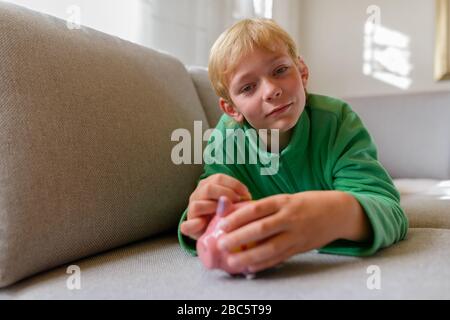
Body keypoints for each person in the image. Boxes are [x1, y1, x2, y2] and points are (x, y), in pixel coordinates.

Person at [178, 18, 408, 274]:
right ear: (232, 109)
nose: (271, 90)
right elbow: (208, 205)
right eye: (248, 87)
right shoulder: (227, 137)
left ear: (302, 72)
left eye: (279, 70)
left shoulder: (337, 120)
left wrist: (332, 216)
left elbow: (388, 210)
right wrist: (202, 215)